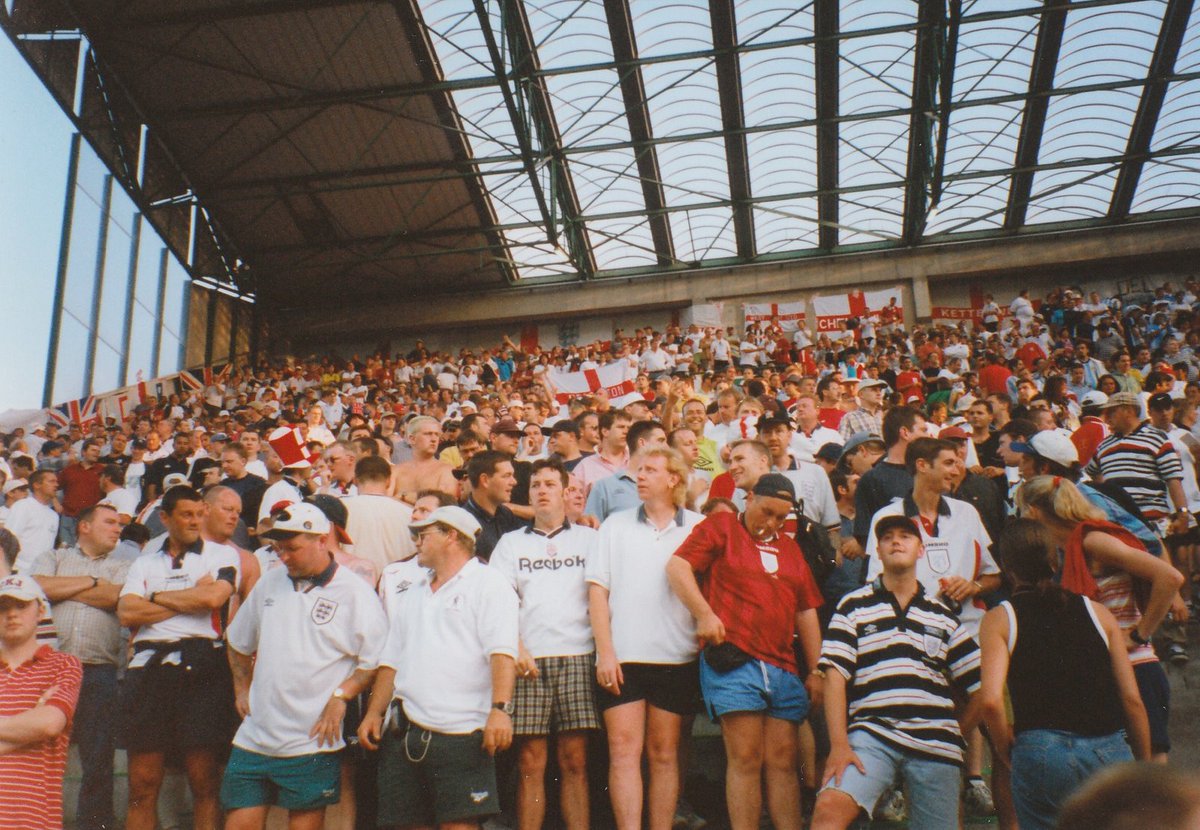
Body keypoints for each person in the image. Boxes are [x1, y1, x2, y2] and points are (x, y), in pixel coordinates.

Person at [667, 473, 824, 830]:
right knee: (746, 757)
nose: (771, 523)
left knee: (784, 760)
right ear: (749, 497)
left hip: (782, 663)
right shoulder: (722, 526)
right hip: (734, 658)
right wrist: (704, 614)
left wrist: (816, 669)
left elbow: (806, 609)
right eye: (766, 512)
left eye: (781, 518)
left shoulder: (788, 546)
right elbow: (677, 567)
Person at [221, 501, 387, 830]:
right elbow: (238, 642)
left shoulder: (355, 593)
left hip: (312, 742)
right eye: (278, 548)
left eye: (292, 548)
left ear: (322, 540)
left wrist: (342, 695)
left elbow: (375, 661)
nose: (283, 556)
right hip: (254, 737)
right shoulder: (269, 582)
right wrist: (241, 688)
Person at [810, 515, 982, 830]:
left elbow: (981, 686)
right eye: (888, 537)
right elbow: (835, 675)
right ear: (878, 549)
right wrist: (839, 745)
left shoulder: (942, 615)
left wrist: (958, 733)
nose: (896, 541)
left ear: (920, 550)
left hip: (935, 739)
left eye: (905, 535)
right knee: (828, 810)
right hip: (873, 733)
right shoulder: (853, 605)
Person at [977, 519, 1150, 830]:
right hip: (1106, 747)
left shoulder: (999, 619)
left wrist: (1006, 752)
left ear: (1007, 567)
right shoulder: (1098, 613)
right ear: (1054, 559)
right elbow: (1132, 699)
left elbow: (990, 701)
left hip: (1040, 748)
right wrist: (1145, 764)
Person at [358, 505, 519, 829]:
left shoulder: (489, 584)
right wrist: (374, 713)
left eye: (423, 534)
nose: (415, 541)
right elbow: (391, 660)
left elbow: (502, 654)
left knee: (459, 826)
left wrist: (500, 710)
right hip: (405, 731)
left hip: (463, 732)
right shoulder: (414, 590)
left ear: (452, 537)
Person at [1016, 476, 1184, 762]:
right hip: (1103, 670)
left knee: (1150, 769)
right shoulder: (1066, 550)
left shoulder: (1093, 541)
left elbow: (1170, 577)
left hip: (1135, 666)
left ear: (1033, 511)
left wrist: (1139, 634)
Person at [586, 446, 703, 830]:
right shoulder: (615, 525)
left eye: (651, 470)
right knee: (622, 752)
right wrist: (605, 652)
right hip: (624, 657)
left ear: (673, 479)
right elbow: (597, 592)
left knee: (665, 755)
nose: (641, 476)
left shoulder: (697, 526)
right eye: (639, 470)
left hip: (677, 656)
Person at [116, 485, 241, 830]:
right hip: (149, 668)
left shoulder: (221, 555)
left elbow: (214, 598)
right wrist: (187, 596)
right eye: (187, 515)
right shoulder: (144, 561)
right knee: (142, 783)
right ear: (165, 518)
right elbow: (127, 611)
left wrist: (153, 598)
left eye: (200, 514)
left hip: (201, 666)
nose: (195, 521)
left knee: (204, 780)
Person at [489, 460, 600, 830]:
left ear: (566, 491)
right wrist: (517, 647)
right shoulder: (510, 543)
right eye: (535, 484)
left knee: (575, 761)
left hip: (578, 656)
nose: (542, 490)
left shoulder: (589, 539)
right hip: (529, 660)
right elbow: (500, 603)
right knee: (530, 763)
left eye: (550, 483)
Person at [28, 503, 129, 830]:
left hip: (97, 670)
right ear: (84, 526)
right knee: (35, 753)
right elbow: (36, 589)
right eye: (110, 522)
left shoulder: (123, 566)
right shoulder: (53, 557)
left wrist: (64, 590)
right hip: (47, 669)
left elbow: (117, 598)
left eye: (119, 524)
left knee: (98, 759)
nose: (118, 529)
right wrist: (90, 581)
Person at [0, 574, 83, 830]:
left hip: (33, 819)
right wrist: (27, 724)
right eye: (3, 607)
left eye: (22, 605)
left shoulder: (63, 664)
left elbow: (49, 723)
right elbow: (39, 724)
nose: (12, 614)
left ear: (41, 610)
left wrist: (40, 720)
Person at [343, 455, 416, 573]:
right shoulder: (411, 514)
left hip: (351, 584)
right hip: (396, 585)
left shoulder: (339, 508)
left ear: (355, 480)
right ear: (388, 481)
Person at [462, 450, 527, 562]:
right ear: (485, 480)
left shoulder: (506, 515)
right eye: (507, 476)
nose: (514, 482)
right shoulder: (462, 524)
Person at [389, 416, 458, 504]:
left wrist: (404, 495)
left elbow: (444, 504)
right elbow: (386, 502)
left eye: (437, 434)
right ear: (412, 439)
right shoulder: (396, 471)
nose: (434, 439)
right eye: (428, 434)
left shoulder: (448, 470)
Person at [6, 470, 60, 573]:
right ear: (37, 485)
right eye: (52, 481)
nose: (56, 485)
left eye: (56, 481)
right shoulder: (23, 506)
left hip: (42, 573)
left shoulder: (54, 516)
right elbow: (9, 538)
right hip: (18, 570)